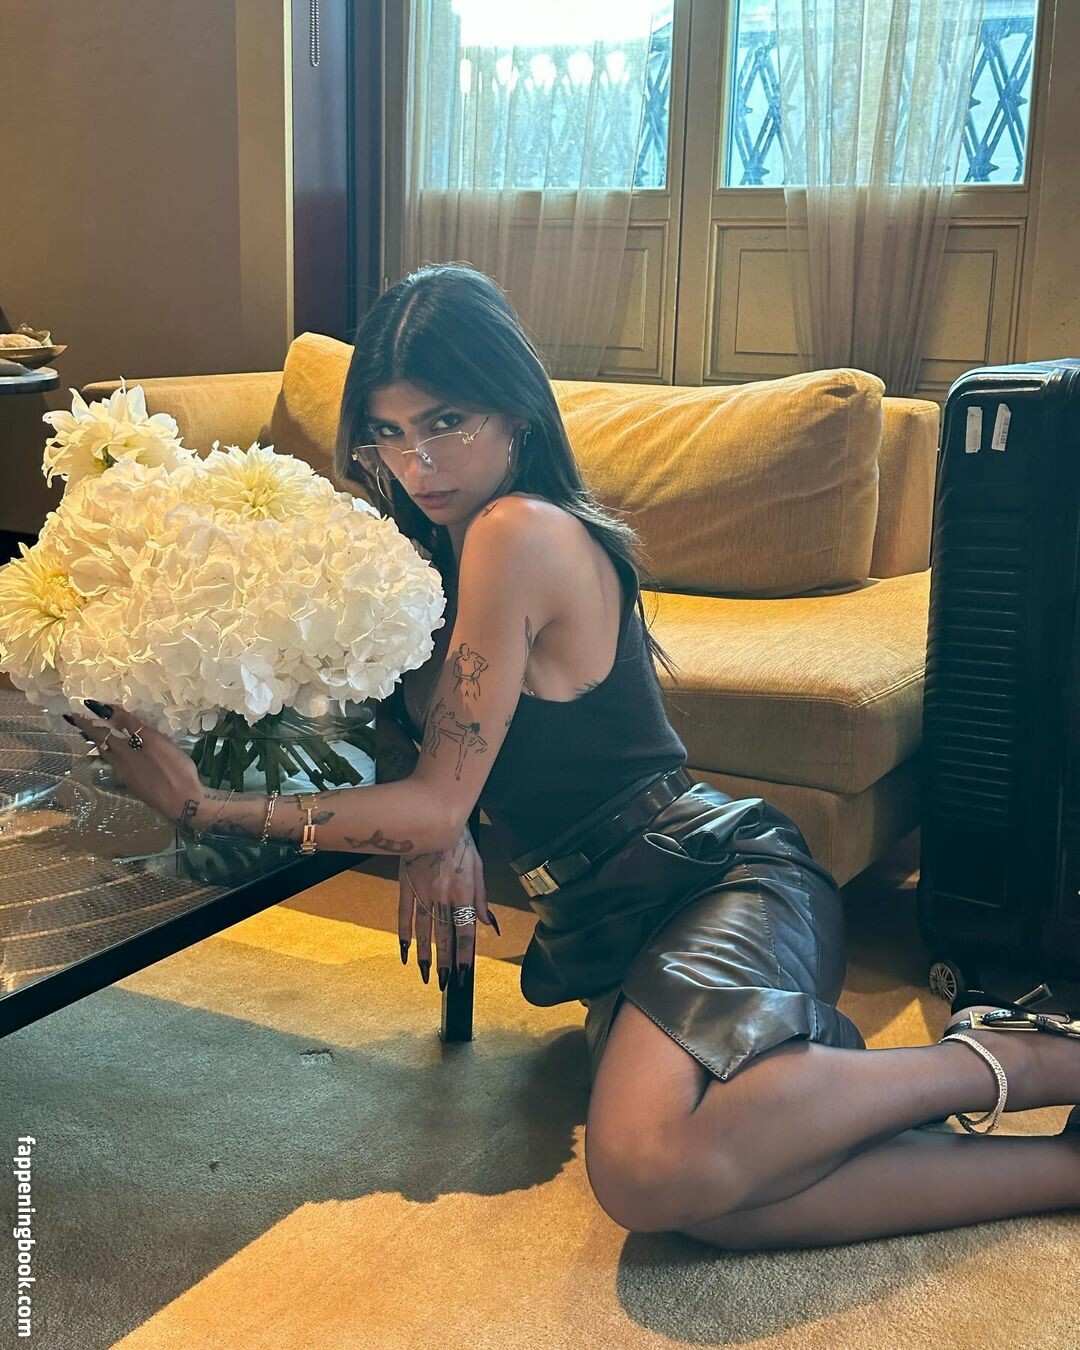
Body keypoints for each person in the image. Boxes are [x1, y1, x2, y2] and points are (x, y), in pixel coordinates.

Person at [70, 263, 1080, 1251]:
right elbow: (438, 766)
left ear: (516, 412)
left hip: (714, 884)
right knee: (710, 1192)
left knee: (643, 1169)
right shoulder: (420, 557)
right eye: (389, 432)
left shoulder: (517, 530)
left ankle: (1005, 1060)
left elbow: (431, 797)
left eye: (446, 422)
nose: (418, 463)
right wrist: (445, 824)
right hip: (605, 921)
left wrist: (204, 806)